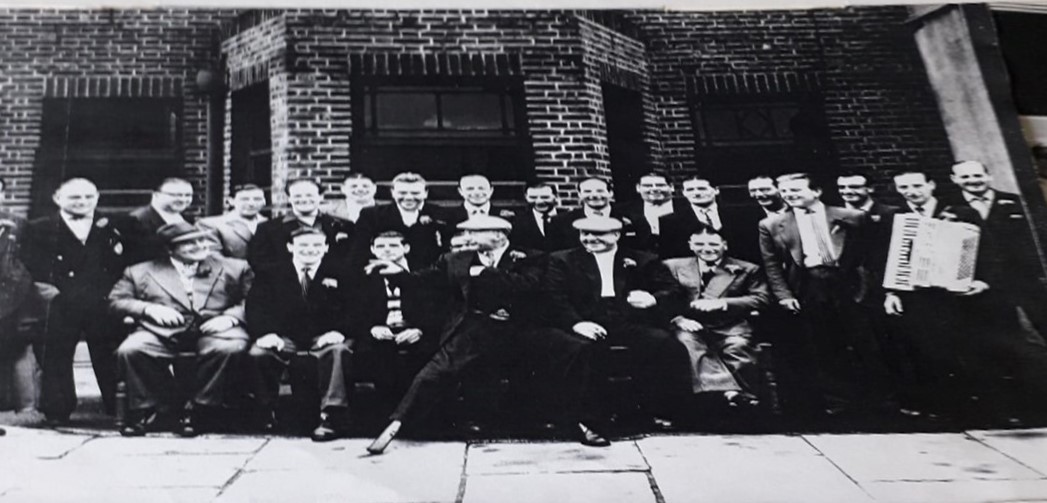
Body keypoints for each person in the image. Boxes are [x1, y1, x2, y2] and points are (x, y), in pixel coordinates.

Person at [366, 216, 575, 453]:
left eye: (474, 233)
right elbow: (424, 280)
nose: (467, 238)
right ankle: (395, 425)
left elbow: (529, 286)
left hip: (520, 329)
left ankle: (574, 422)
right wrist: (397, 273)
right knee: (434, 372)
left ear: (499, 235)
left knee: (564, 351)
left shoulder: (532, 256)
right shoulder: (455, 259)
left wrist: (485, 273)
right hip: (474, 329)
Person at [543, 217, 691, 443]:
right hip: (585, 319)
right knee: (579, 350)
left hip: (628, 320)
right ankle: (588, 422)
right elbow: (555, 297)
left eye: (598, 234)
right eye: (585, 234)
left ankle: (660, 412)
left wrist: (653, 298)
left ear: (616, 235)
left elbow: (672, 291)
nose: (590, 239)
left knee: (664, 344)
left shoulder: (643, 260)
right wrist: (576, 323)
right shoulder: (563, 260)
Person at [758, 173, 894, 417]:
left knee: (864, 341)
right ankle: (838, 401)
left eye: (796, 190)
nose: (790, 195)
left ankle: (878, 401)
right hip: (808, 286)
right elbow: (772, 266)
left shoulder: (852, 217)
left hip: (848, 285)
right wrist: (784, 295)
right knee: (822, 344)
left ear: (817, 191)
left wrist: (866, 290)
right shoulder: (771, 225)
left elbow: (870, 257)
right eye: (785, 191)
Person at [110, 222, 253, 437]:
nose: (200, 245)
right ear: (169, 249)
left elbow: (254, 299)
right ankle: (158, 408)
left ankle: (201, 409)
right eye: (189, 243)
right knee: (132, 350)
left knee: (230, 348)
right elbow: (116, 301)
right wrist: (148, 308)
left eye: (202, 239)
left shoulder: (236, 267)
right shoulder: (140, 271)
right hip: (161, 331)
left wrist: (231, 318)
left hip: (215, 328)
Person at [21, 178, 125, 423]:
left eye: (89, 197)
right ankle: (58, 409)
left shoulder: (113, 226)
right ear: (58, 199)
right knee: (56, 354)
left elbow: (122, 264)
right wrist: (50, 292)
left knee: (109, 351)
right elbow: (30, 265)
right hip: (61, 302)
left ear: (97, 198)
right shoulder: (39, 228)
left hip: (102, 301)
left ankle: (116, 405)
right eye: (75, 197)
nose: (83, 202)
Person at [245, 227, 355, 441]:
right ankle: (267, 411)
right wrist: (267, 333)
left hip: (324, 336)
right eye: (303, 245)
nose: (310, 250)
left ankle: (331, 416)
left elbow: (356, 308)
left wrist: (340, 331)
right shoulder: (271, 273)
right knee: (259, 354)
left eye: (316, 245)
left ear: (326, 248)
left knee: (338, 352)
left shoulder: (341, 272)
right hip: (284, 336)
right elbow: (255, 307)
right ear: (290, 247)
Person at [663, 227, 769, 408]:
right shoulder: (672, 266)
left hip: (730, 325)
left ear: (724, 245)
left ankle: (748, 401)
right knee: (688, 342)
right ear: (690, 245)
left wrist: (724, 303)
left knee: (738, 346)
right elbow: (663, 296)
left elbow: (761, 298)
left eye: (713, 244)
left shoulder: (747, 268)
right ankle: (729, 395)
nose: (707, 249)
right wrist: (678, 319)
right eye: (699, 244)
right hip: (687, 324)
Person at [346, 231, 443, 419]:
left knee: (426, 354)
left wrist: (419, 330)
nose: (387, 250)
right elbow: (354, 313)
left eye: (393, 245)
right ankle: (389, 414)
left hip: (415, 330)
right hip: (380, 332)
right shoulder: (361, 277)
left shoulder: (422, 273)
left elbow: (437, 308)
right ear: (372, 250)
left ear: (406, 248)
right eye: (381, 246)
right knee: (376, 354)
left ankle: (423, 415)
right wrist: (372, 328)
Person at [946, 160, 1047, 337]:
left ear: (989, 176)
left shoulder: (1017, 202)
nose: (973, 180)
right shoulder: (949, 209)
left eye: (978, 175)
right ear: (954, 179)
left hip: (1026, 279)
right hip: (986, 285)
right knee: (1008, 338)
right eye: (965, 176)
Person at [248, 178, 353, 274]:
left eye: (309, 195)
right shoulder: (268, 229)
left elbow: (350, 260)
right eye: (297, 196)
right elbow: (258, 262)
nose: (304, 199)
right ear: (289, 198)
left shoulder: (342, 226)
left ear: (320, 197)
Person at [0, 176, 40, 414]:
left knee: (16, 348)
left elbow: (28, 264)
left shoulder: (18, 226)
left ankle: (23, 406)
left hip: (10, 298)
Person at [351, 172, 449, 269]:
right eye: (402, 193)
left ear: (425, 193)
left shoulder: (441, 214)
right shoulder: (372, 215)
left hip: (429, 275)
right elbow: (360, 250)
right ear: (392, 192)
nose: (409, 198)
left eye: (415, 193)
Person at [660, 176, 763, 263]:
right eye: (690, 190)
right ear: (684, 193)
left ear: (716, 190)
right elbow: (671, 257)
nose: (696, 193)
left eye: (702, 189)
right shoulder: (671, 221)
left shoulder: (741, 215)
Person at [121, 178, 195, 266]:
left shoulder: (189, 220)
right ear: (156, 195)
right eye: (177, 195)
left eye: (188, 195)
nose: (183, 200)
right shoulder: (136, 220)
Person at [548, 177, 632, 250]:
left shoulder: (630, 218)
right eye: (587, 191)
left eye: (600, 191)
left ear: (610, 193)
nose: (594, 195)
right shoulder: (561, 221)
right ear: (579, 194)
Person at [616, 172, 684, 253]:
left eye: (660, 185)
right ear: (638, 188)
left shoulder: (686, 207)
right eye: (647, 186)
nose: (654, 189)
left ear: (671, 187)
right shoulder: (624, 211)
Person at [197, 184, 268, 259]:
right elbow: (213, 258)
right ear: (231, 201)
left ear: (264, 201)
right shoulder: (211, 224)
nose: (251, 204)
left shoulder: (270, 224)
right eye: (244, 199)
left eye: (257, 199)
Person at [509, 181, 560, 252]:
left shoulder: (570, 218)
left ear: (556, 196)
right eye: (533, 197)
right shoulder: (517, 222)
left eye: (545, 197)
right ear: (526, 197)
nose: (539, 201)